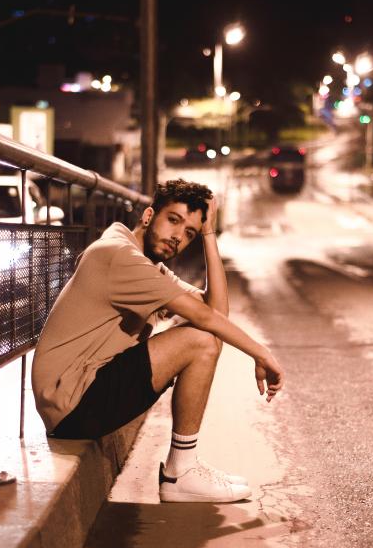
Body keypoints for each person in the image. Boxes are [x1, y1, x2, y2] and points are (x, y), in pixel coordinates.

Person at [31, 178, 284, 503]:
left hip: (81, 395)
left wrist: (209, 235)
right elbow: (208, 322)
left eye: (189, 233)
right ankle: (181, 472)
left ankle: (183, 467)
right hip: (73, 404)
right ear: (149, 216)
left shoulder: (149, 267)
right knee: (200, 341)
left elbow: (216, 312)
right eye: (174, 220)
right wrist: (261, 354)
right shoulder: (118, 256)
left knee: (206, 337)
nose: (178, 237)